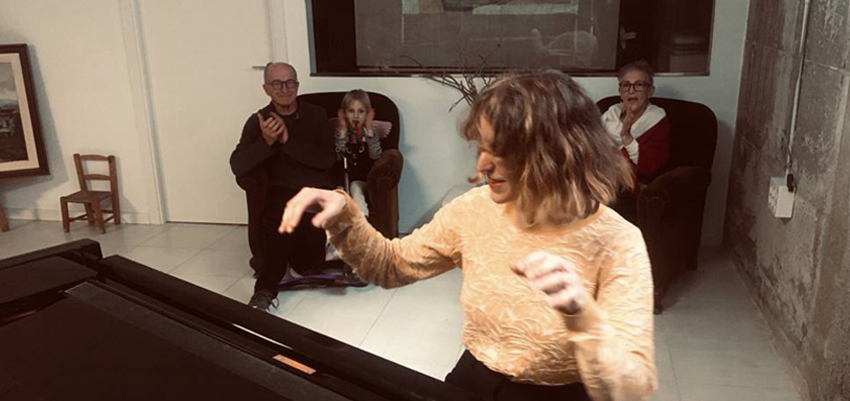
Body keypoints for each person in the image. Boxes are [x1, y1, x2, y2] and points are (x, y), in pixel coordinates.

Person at [279, 71, 657, 401]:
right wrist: (344, 216)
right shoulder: (475, 209)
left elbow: (632, 388)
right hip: (473, 382)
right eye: (481, 146)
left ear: (557, 152)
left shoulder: (617, 241)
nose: (480, 166)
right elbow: (390, 266)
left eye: (500, 150)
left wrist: (584, 319)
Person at [229, 62, 336, 312]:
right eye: (276, 83)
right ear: (266, 88)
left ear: (297, 86)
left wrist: (286, 142)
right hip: (282, 192)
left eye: (290, 83)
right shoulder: (259, 121)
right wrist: (266, 142)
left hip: (316, 191)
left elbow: (326, 160)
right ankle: (264, 293)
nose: (284, 89)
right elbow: (238, 165)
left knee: (309, 263)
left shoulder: (316, 115)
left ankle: (296, 263)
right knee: (277, 226)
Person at [601, 60, 671, 187]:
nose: (631, 91)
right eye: (626, 85)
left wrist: (627, 137)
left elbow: (651, 170)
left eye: (639, 85)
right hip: (600, 179)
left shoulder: (657, 120)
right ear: (620, 92)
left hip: (631, 187)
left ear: (650, 91)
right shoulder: (609, 115)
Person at [334, 89, 382, 217]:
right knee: (339, 192)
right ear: (344, 114)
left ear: (367, 114)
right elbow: (338, 157)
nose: (355, 116)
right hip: (343, 178)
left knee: (355, 188)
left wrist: (369, 134)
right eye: (351, 111)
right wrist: (343, 132)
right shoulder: (340, 131)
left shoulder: (371, 131)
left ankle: (362, 221)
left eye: (361, 111)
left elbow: (376, 156)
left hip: (362, 180)